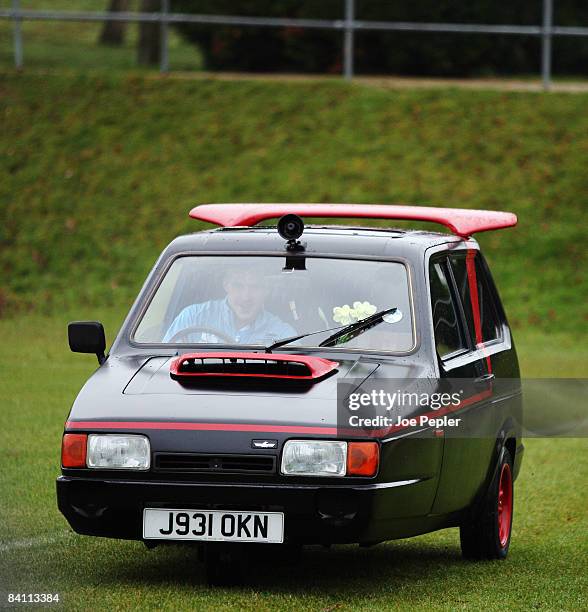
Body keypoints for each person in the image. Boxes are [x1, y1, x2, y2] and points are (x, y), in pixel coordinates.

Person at [163, 265, 296, 345]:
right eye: (238, 286)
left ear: (266, 291)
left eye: (255, 287)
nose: (246, 297)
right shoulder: (192, 317)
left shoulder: (283, 335)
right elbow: (163, 363)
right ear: (226, 285)